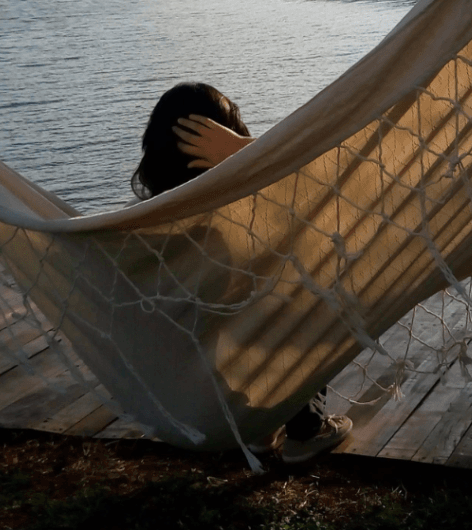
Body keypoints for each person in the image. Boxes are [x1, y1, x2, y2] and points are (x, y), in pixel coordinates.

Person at [131, 81, 353, 463]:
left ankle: (259, 430)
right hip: (239, 378)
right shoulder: (237, 220)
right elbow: (324, 174)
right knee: (306, 285)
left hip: (183, 403)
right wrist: (244, 153)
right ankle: (306, 429)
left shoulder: (142, 226)